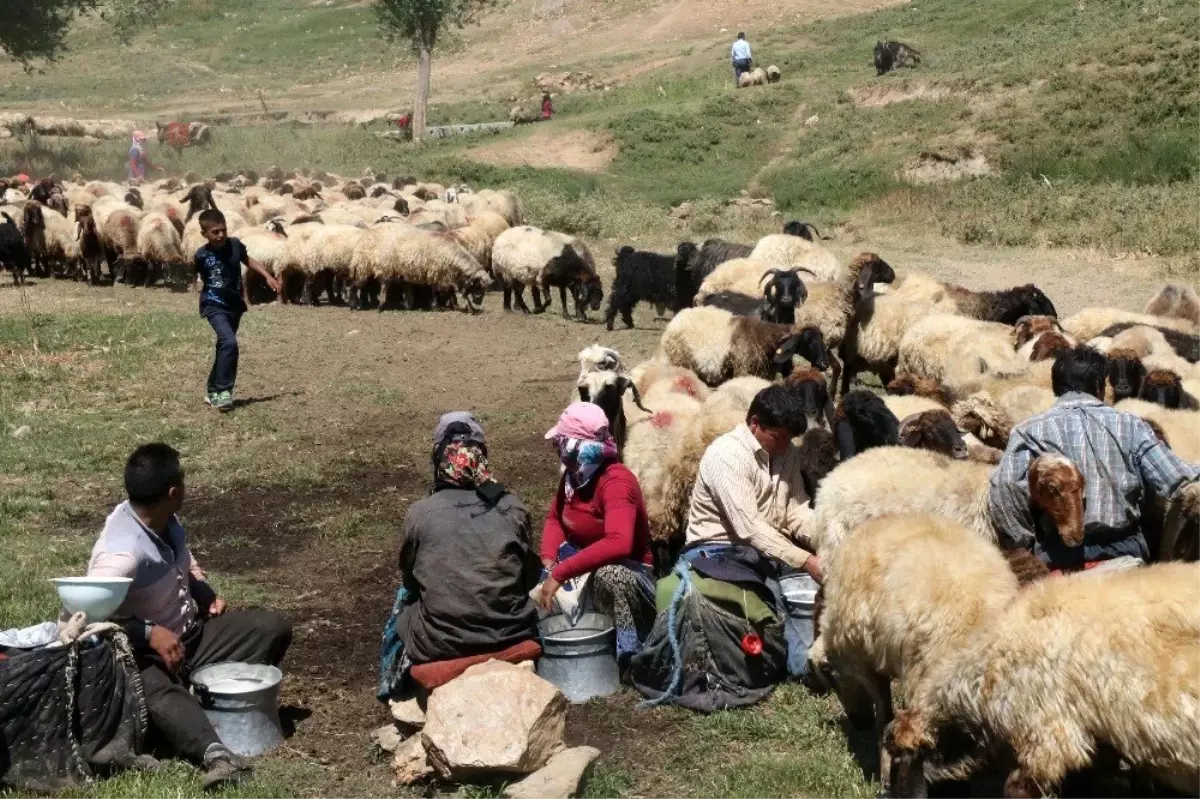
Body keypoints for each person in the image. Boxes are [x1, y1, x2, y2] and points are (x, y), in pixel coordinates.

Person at [86, 443, 292, 790]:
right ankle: (215, 753)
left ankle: (197, 694)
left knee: (271, 629)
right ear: (173, 491)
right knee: (155, 692)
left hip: (190, 638)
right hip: (141, 659)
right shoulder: (121, 555)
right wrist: (148, 632)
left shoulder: (162, 516)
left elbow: (183, 556)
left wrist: (200, 587)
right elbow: (80, 617)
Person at [990, 345, 1200, 571]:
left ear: (1055, 386)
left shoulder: (1029, 430)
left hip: (1056, 554)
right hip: (1123, 550)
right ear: (1100, 386)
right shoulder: (1130, 425)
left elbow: (1006, 486)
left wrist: (1023, 542)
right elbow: (1177, 479)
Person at [378, 413, 540, 699]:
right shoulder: (512, 509)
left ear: (439, 459)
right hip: (512, 632)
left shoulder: (420, 514)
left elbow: (411, 579)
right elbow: (528, 577)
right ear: (482, 456)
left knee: (403, 599)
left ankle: (392, 687)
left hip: (440, 643)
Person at [538, 402, 656, 668]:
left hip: (628, 573)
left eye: (561, 441)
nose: (556, 447)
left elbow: (619, 542)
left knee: (611, 577)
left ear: (574, 446)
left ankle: (629, 653)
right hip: (581, 566)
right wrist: (548, 561)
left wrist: (561, 572)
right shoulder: (574, 477)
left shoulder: (616, 482)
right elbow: (555, 518)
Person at [685, 384, 821, 580]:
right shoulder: (728, 455)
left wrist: (825, 539)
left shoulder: (788, 452)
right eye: (778, 437)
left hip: (771, 550)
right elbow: (749, 528)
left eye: (789, 438)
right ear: (755, 423)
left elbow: (796, 510)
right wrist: (806, 560)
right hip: (722, 550)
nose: (785, 447)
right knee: (770, 604)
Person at [193, 209, 280, 411]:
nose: (221, 235)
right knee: (229, 343)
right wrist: (195, 287)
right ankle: (224, 392)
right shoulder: (201, 255)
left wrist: (267, 276)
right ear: (204, 234)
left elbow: (247, 259)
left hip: (235, 305)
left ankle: (212, 391)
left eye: (223, 230)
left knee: (224, 347)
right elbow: (195, 273)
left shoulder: (235, 245)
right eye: (215, 232)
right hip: (213, 305)